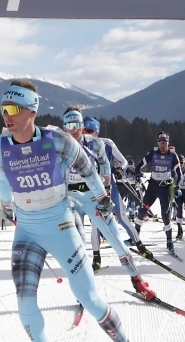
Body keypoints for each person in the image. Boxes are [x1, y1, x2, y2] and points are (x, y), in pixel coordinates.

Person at [0, 79, 148, 342]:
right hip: (28, 231)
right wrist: (8, 207)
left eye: (13, 108)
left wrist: (102, 196)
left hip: (61, 225)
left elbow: (86, 166)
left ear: (31, 110)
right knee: (24, 301)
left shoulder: (56, 140)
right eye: (2, 108)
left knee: (90, 297)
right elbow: (1, 177)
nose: (6, 115)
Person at [60, 110, 158, 295]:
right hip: (70, 198)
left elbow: (105, 167)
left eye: (78, 125)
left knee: (116, 239)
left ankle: (137, 280)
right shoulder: (58, 144)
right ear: (64, 127)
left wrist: (105, 193)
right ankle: (83, 289)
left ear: (82, 126)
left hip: (91, 196)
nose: (74, 130)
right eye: (69, 125)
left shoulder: (96, 144)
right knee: (77, 242)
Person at [82, 117, 155, 262]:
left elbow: (124, 161)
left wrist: (119, 169)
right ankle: (97, 258)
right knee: (96, 225)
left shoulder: (107, 143)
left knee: (122, 217)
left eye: (90, 131)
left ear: (96, 132)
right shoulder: (80, 144)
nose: (87, 133)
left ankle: (139, 244)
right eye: (84, 130)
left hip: (110, 187)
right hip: (92, 189)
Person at [134, 132, 180, 256]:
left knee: (165, 217)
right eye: (160, 142)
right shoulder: (152, 153)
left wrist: (176, 187)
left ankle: (169, 242)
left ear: (168, 142)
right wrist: (137, 175)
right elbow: (139, 166)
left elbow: (178, 173)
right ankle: (135, 237)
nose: (162, 145)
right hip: (152, 188)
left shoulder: (173, 155)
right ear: (157, 143)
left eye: (164, 142)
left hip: (165, 189)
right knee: (142, 211)